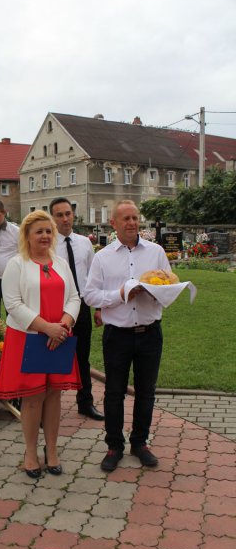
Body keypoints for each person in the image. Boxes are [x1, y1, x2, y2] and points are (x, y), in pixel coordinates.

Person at [84, 199, 172, 472]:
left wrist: (157, 291)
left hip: (150, 333)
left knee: (146, 392)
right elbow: (90, 295)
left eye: (135, 217)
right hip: (117, 336)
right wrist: (121, 294)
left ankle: (140, 443)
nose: (132, 223)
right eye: (126, 218)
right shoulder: (103, 257)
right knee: (114, 392)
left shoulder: (156, 252)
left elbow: (169, 285)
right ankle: (114, 446)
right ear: (114, 223)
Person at [0, 210, 81, 478]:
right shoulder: (16, 264)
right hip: (29, 338)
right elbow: (13, 304)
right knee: (32, 398)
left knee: (54, 396)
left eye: (48, 231)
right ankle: (30, 453)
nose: (45, 236)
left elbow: (74, 298)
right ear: (27, 236)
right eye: (39, 231)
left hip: (59, 338)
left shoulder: (61, 263)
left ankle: (51, 450)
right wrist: (47, 328)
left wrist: (64, 325)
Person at [50, 197, 104, 421]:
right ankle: (47, 408)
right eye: (59, 215)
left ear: (73, 215)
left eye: (68, 214)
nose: (65, 219)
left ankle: (85, 402)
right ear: (52, 218)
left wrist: (98, 308)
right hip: (55, 307)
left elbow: (93, 277)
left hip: (81, 306)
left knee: (82, 356)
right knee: (52, 357)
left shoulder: (84, 243)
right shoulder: (47, 244)